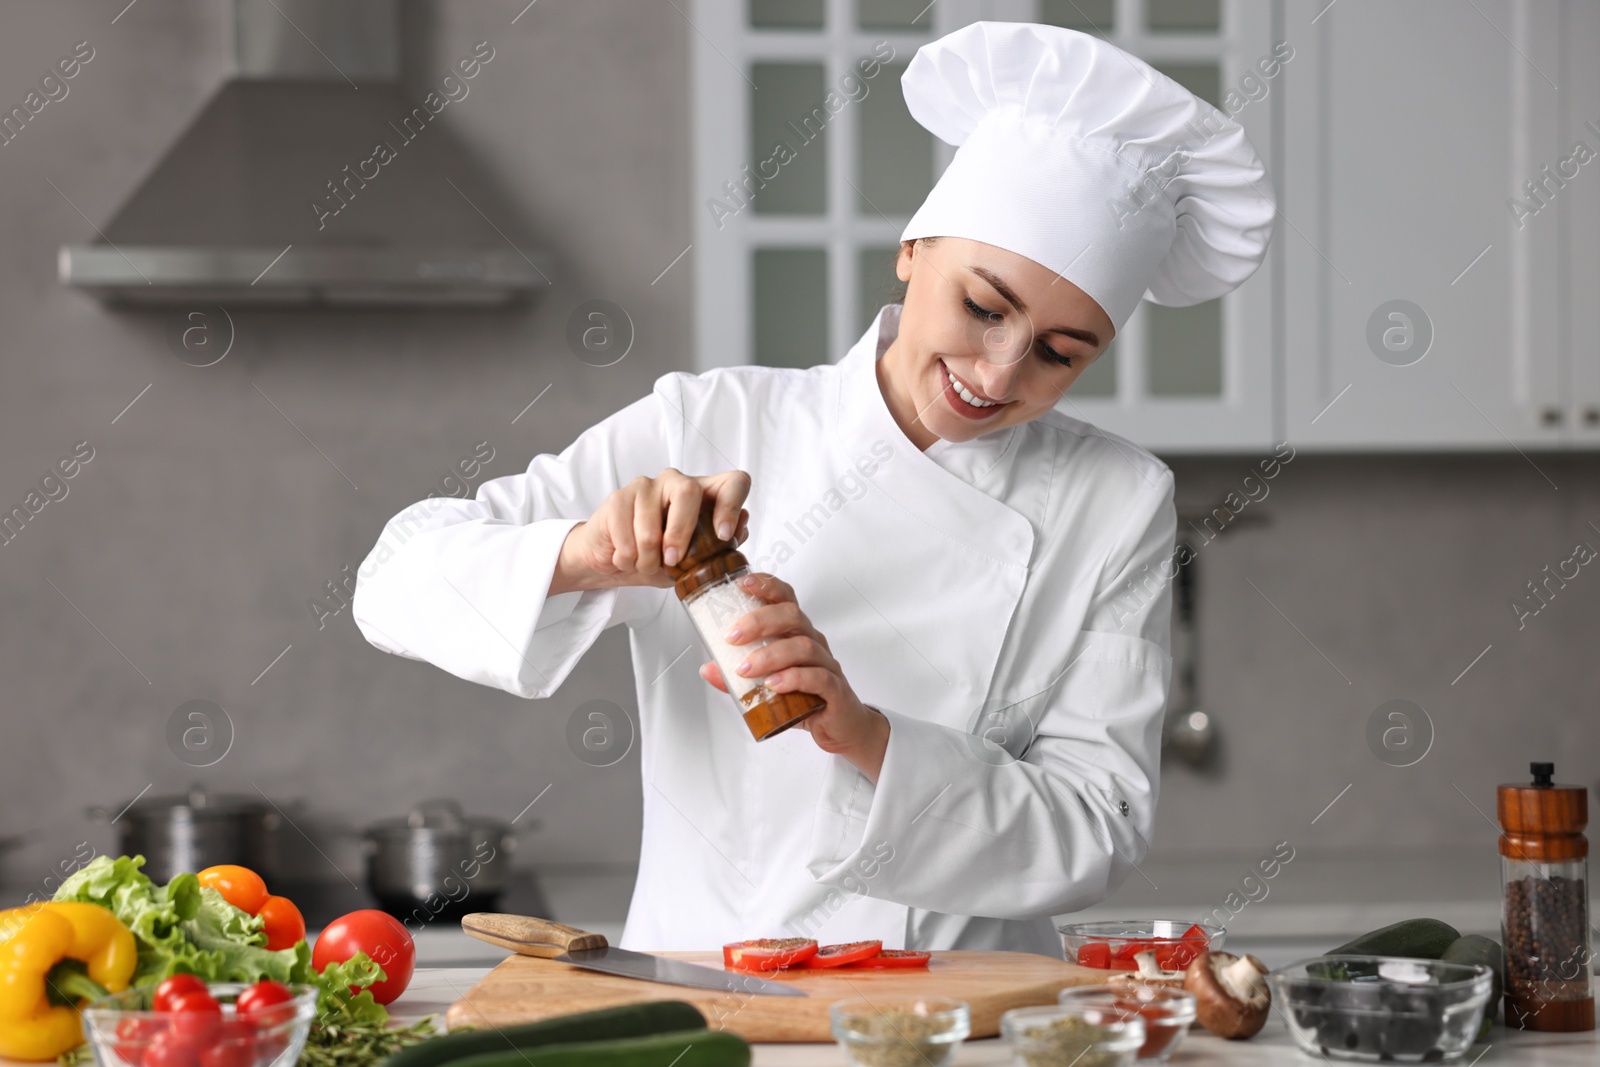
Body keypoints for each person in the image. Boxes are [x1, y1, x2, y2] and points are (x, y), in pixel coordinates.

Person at [352, 21, 1274, 956]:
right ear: (914, 248)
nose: (997, 375)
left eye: (1059, 353)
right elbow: (392, 582)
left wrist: (867, 736)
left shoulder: (1116, 500)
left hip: (971, 1014)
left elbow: (1097, 823)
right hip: (711, 998)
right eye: (983, 308)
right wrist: (586, 554)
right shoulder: (709, 423)